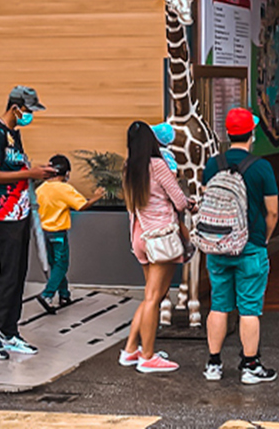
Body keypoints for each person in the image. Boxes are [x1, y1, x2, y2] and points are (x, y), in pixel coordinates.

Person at [199, 107, 279, 385]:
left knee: (219, 305)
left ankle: (213, 364)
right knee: (249, 308)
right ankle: (250, 366)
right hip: (250, 246)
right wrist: (264, 238)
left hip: (217, 245)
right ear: (251, 134)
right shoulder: (261, 167)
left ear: (228, 134)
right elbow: (273, 211)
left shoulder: (213, 164)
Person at [0, 85, 53, 361]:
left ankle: (9, 331)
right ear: (15, 108)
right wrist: (30, 173)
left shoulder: (14, 135)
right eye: (28, 110)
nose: (30, 116)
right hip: (3, 215)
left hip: (20, 214)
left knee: (19, 275)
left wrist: (35, 172)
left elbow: (15, 169)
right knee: (7, 275)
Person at [120, 120, 189, 374]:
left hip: (140, 235)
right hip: (160, 238)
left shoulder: (128, 167)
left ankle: (131, 349)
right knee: (154, 298)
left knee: (150, 295)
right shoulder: (158, 165)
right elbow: (179, 202)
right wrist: (189, 202)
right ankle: (147, 357)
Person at [35, 153, 101, 311]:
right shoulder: (64, 189)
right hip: (58, 233)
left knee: (56, 265)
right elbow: (82, 206)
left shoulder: (41, 189)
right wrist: (96, 197)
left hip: (44, 234)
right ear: (66, 173)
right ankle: (47, 294)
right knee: (62, 265)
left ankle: (64, 295)